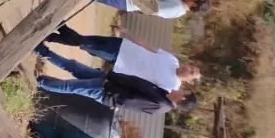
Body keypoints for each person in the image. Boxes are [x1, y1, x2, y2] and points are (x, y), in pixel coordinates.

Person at [38, 25, 202, 92]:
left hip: (121, 61)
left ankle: (57, 28)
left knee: (85, 44)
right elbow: (147, 46)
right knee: (86, 41)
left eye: (191, 72)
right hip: (123, 45)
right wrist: (127, 32)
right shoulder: (173, 60)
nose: (188, 68)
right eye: (191, 67)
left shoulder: (171, 85)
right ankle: (51, 34)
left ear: (189, 81)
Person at [35, 53, 198, 116]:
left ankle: (38, 80)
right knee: (74, 66)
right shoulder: (164, 94)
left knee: (69, 86)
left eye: (184, 92)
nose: (181, 89)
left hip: (107, 90)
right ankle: (43, 51)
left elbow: (130, 98)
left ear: (183, 98)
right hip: (110, 81)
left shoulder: (160, 104)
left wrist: (111, 86)